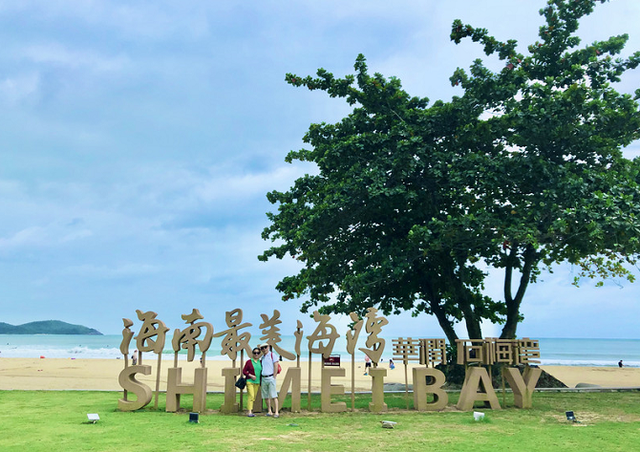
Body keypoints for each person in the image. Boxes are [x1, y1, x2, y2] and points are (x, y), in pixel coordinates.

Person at [260, 343, 280, 418]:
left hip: (270, 377)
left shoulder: (272, 355)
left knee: (274, 395)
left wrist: (274, 376)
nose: (264, 349)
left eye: (265, 347)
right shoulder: (262, 357)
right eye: (262, 348)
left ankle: (276, 412)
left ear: (268, 347)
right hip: (264, 378)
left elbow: (276, 365)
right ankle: (269, 411)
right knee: (266, 396)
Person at [242, 347, 262, 417]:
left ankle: (251, 410)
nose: (256, 354)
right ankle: (249, 411)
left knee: (253, 397)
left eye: (258, 353)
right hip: (249, 381)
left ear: (259, 354)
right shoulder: (249, 362)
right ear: (253, 353)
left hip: (257, 382)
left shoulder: (261, 362)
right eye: (255, 353)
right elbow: (244, 371)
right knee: (251, 396)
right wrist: (251, 375)